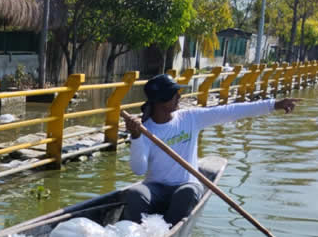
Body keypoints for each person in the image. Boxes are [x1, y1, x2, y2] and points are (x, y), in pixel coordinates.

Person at [122, 73, 298, 226]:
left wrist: (273, 104)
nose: (179, 97)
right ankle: (141, 234)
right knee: (135, 193)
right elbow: (139, 170)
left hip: (185, 185)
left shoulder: (190, 118)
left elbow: (230, 111)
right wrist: (136, 137)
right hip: (156, 188)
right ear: (162, 101)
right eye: (175, 94)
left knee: (187, 194)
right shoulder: (144, 130)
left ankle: (166, 231)